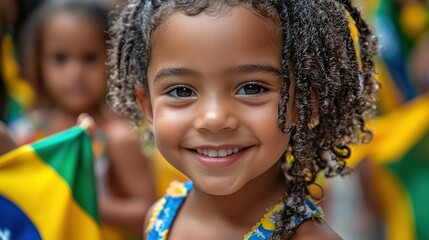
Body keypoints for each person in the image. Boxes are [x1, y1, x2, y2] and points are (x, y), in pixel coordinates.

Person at [107, 0, 379, 239]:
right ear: (149, 108)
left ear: (306, 102)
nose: (213, 119)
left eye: (252, 88)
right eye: (182, 91)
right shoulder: (160, 217)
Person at [8, 0, 156, 238]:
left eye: (89, 58)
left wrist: (79, 199)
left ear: (113, 61)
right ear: (37, 61)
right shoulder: (28, 130)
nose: (75, 73)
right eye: (60, 59)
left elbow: (150, 213)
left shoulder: (117, 137)